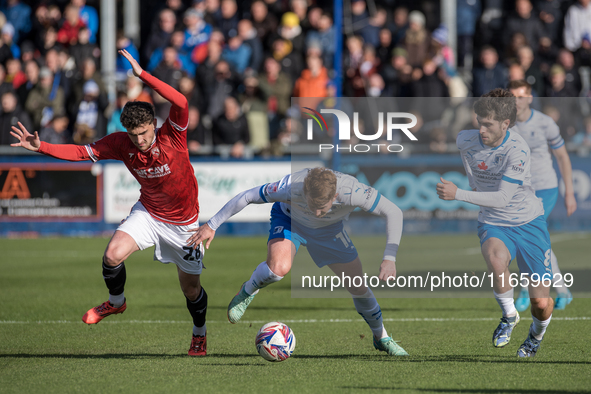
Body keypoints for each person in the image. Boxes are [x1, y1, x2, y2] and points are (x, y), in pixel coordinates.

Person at [10, 49, 208, 357]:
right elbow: (80, 153)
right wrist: (42, 147)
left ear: (153, 125)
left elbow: (181, 102)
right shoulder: (120, 142)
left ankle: (199, 334)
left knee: (190, 289)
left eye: (143, 133)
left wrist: (142, 75)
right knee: (112, 255)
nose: (139, 140)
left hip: (184, 224)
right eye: (133, 135)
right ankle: (117, 303)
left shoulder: (173, 135)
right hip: (149, 213)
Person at [187, 167, 409, 357]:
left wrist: (389, 257)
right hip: (290, 220)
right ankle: (248, 290)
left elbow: (394, 212)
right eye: (311, 204)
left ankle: (381, 337)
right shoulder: (290, 186)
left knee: (358, 286)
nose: (315, 211)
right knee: (278, 269)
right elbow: (247, 196)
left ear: (335, 196)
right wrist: (212, 224)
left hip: (329, 231)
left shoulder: (354, 191)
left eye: (321, 207)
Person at [436, 88, 554, 358]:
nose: (481, 129)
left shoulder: (518, 150)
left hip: (529, 222)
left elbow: (502, 197)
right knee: (496, 259)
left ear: (506, 124)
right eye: (479, 121)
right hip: (494, 222)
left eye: (488, 124)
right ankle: (510, 316)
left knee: (540, 302)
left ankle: (535, 335)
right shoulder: (464, 139)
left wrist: (458, 194)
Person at [508, 80, 577, 311]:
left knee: (526, 236)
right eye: (512, 97)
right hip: (519, 190)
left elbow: (563, 158)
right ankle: (563, 290)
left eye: (520, 97)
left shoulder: (545, 123)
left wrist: (569, 193)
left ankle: (527, 291)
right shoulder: (506, 123)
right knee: (533, 239)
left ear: (529, 98)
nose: (516, 102)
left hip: (545, 188)